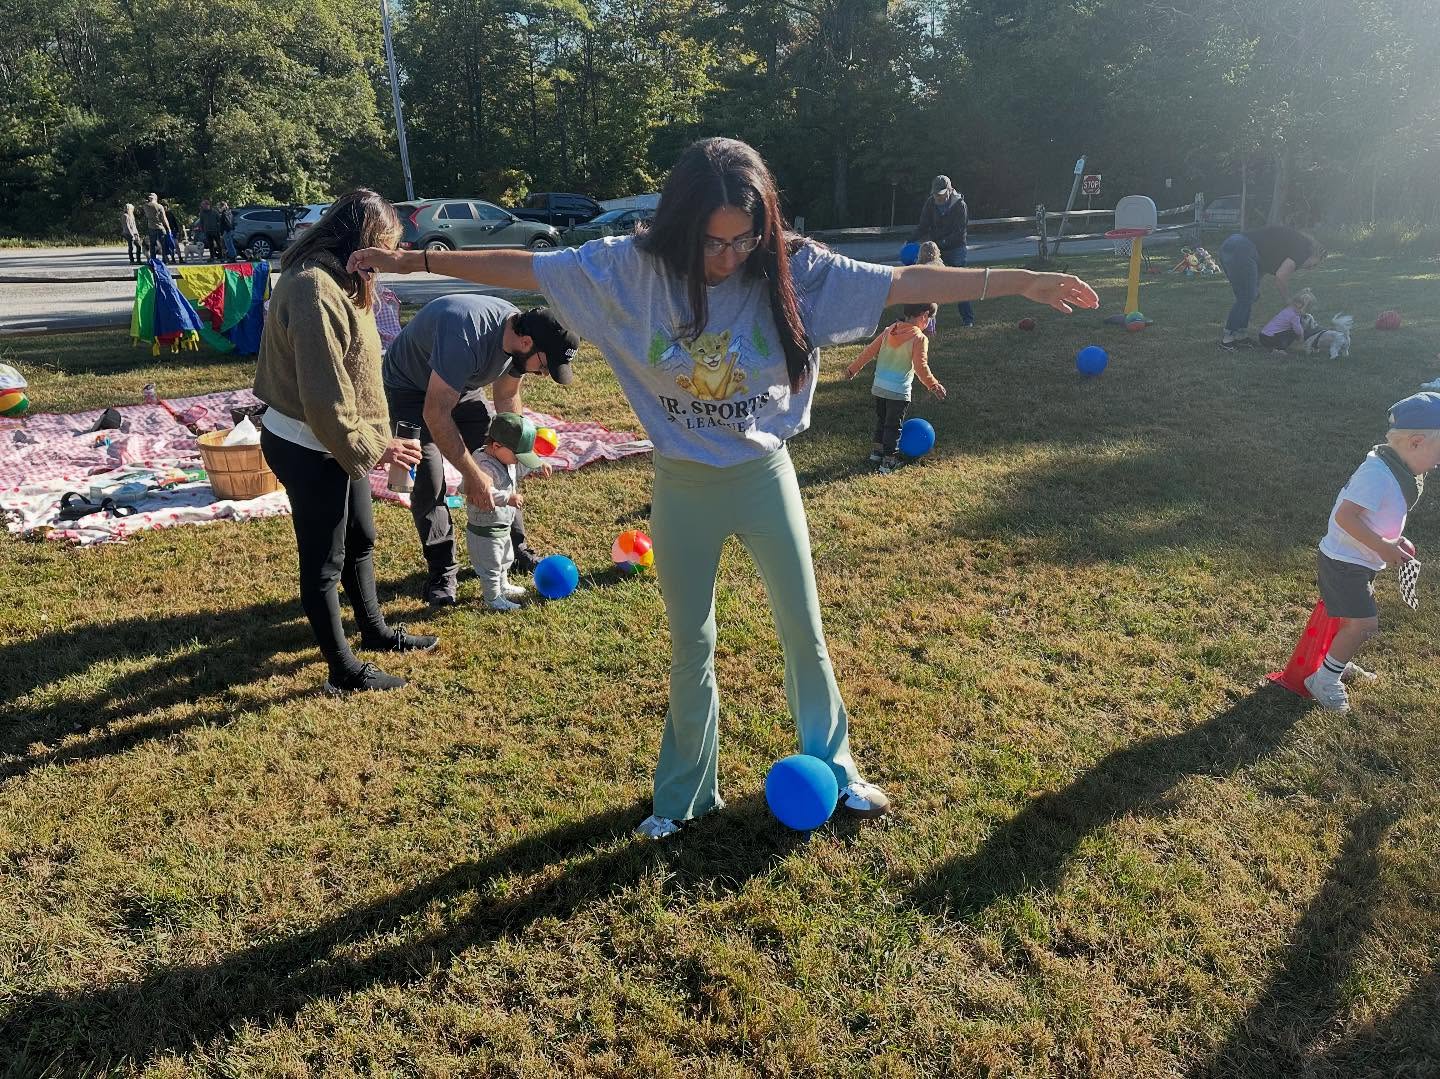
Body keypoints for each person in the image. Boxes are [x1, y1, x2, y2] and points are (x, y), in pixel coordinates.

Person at [348, 136, 1098, 838]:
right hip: (682, 485)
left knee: (804, 631)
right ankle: (682, 797)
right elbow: (526, 269)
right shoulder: (631, 268)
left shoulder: (792, 268)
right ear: (682, 225)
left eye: (745, 238)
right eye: (715, 240)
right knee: (691, 643)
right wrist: (410, 261)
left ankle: (838, 770)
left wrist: (1018, 279)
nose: (730, 255)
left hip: (764, 475)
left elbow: (904, 280)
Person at [255, 188, 439, 696]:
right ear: (361, 240)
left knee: (362, 537)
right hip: (308, 444)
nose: (388, 258)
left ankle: (375, 632)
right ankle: (343, 669)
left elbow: (357, 375)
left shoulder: (344, 280)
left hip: (337, 441)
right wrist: (374, 448)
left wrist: (373, 437)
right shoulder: (313, 288)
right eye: (385, 246)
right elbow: (323, 396)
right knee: (324, 558)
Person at [381, 294, 579, 607]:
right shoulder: (466, 335)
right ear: (527, 342)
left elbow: (506, 399)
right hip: (410, 388)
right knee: (428, 477)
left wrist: (518, 448)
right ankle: (443, 571)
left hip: (462, 385)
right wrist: (472, 474)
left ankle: (517, 548)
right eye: (544, 365)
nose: (543, 374)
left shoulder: (520, 340)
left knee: (501, 460)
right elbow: (436, 413)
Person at [1304, 391, 1440, 712]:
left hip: (1360, 560)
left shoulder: (1398, 470)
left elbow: (1378, 517)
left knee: (1350, 622)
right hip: (1343, 562)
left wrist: (1394, 541)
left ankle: (1335, 661)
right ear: (1417, 442)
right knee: (1364, 625)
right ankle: (1324, 680)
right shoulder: (1377, 474)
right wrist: (1382, 546)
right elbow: (1345, 516)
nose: (1438, 463)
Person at [846, 302, 946, 473]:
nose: (929, 322)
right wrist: (933, 384)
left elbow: (869, 351)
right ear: (924, 316)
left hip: (879, 386)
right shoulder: (919, 338)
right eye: (930, 319)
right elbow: (920, 366)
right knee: (893, 427)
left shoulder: (889, 330)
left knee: (882, 421)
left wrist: (852, 369)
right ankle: (888, 462)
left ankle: (876, 453)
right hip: (898, 391)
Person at [464, 412, 545, 611]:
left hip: (502, 527)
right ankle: (492, 599)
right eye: (518, 456)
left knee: (505, 559)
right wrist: (507, 498)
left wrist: (537, 467)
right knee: (490, 566)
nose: (518, 460)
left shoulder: (505, 458)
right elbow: (483, 491)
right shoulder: (482, 466)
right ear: (497, 446)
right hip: (485, 531)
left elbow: (517, 469)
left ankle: (503, 585)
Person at [1218, 224, 1325, 350]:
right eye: (1313, 265)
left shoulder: (1299, 244)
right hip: (1241, 247)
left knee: (1250, 296)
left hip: (1238, 245)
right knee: (1246, 296)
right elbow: (1281, 276)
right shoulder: (1303, 251)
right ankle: (1227, 340)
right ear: (1315, 253)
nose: (1310, 268)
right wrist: (1288, 300)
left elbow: (1268, 257)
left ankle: (1240, 335)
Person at [911, 175, 974, 327]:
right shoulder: (930, 203)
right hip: (936, 249)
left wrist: (941, 243)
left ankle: (968, 320)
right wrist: (910, 240)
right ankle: (926, 321)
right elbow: (923, 225)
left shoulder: (960, 205)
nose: (937, 198)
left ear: (950, 191)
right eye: (935, 194)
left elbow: (959, 232)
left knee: (959, 283)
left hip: (955, 249)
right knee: (929, 284)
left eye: (940, 194)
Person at [1257, 288, 1316, 353]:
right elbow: (1299, 331)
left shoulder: (1288, 309)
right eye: (1306, 309)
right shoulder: (1294, 316)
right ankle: (1278, 349)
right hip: (1270, 338)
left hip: (1263, 336)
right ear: (1300, 306)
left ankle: (1273, 347)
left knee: (1289, 331)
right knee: (1293, 332)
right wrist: (1301, 340)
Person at [917, 242, 942, 337]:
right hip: (935, 293)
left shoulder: (923, 266)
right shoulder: (939, 264)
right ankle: (930, 329)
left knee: (927, 312)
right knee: (931, 312)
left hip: (926, 293)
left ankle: (929, 330)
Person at [141, 193, 169, 262]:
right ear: (156, 198)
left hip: (151, 227)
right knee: (163, 244)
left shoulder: (145, 206)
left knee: (152, 244)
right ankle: (165, 259)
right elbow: (164, 218)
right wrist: (168, 227)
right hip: (160, 227)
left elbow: (145, 204)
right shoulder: (159, 206)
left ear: (149, 198)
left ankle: (153, 259)